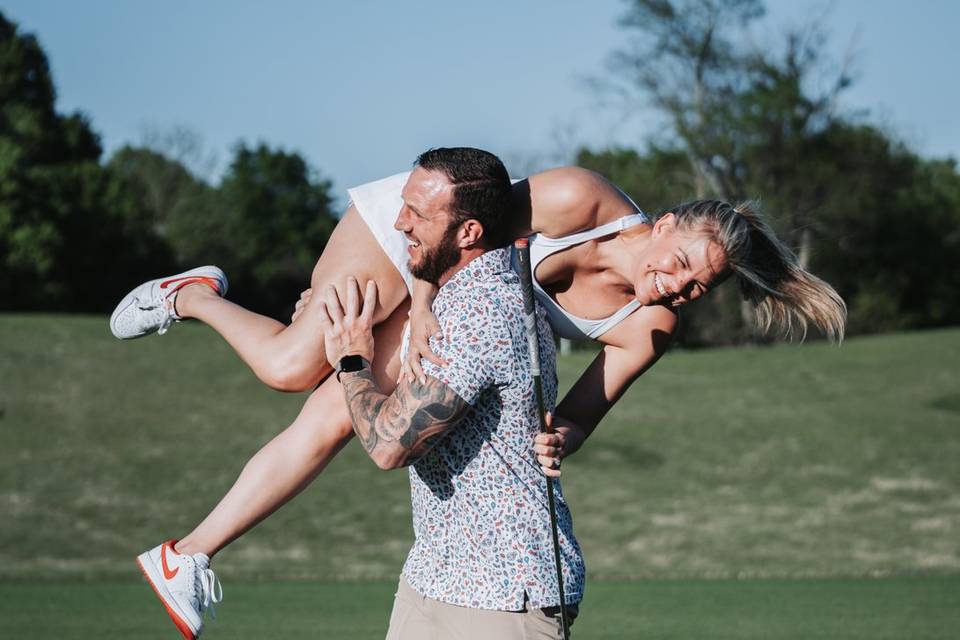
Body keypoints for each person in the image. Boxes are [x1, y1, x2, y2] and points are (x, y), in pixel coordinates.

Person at [117, 147, 846, 638]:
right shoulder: (580, 198)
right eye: (684, 262)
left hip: (469, 309)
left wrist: (559, 439)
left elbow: (578, 420)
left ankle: (190, 554)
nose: (682, 285)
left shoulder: (648, 330)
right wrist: (422, 302)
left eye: (701, 286)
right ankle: (193, 295)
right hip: (423, 244)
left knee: (339, 420)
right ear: (662, 226)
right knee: (288, 365)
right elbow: (468, 228)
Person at [315, 164, 583, 637]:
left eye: (417, 212)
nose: (400, 223)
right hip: (433, 579)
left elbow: (389, 445)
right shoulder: (450, 299)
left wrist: (353, 363)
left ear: (469, 232)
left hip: (504, 599)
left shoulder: (483, 309)